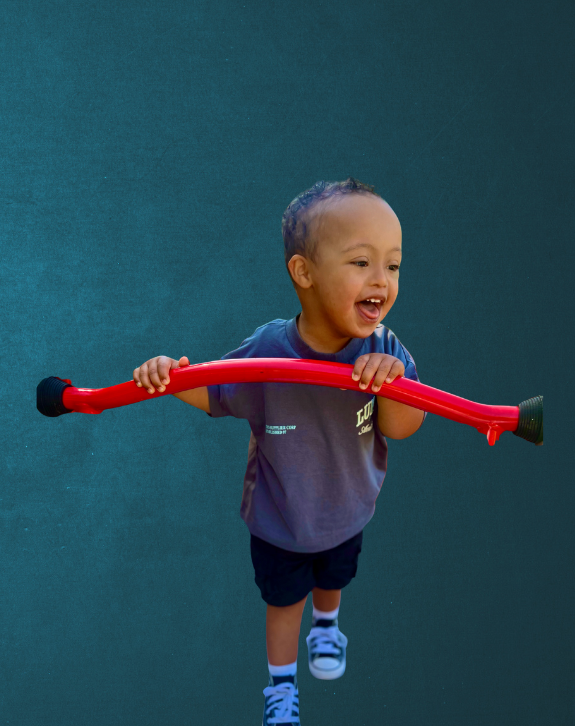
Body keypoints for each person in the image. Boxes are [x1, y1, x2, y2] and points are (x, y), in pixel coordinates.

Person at [131, 178, 425, 725]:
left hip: (349, 511)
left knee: (334, 580)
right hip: (279, 521)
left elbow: (403, 427)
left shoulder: (385, 349)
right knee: (284, 604)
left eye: (394, 265)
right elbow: (215, 391)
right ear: (304, 272)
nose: (382, 281)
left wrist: (394, 384)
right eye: (362, 262)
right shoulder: (269, 349)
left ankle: (327, 627)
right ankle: (282, 686)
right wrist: (168, 377)